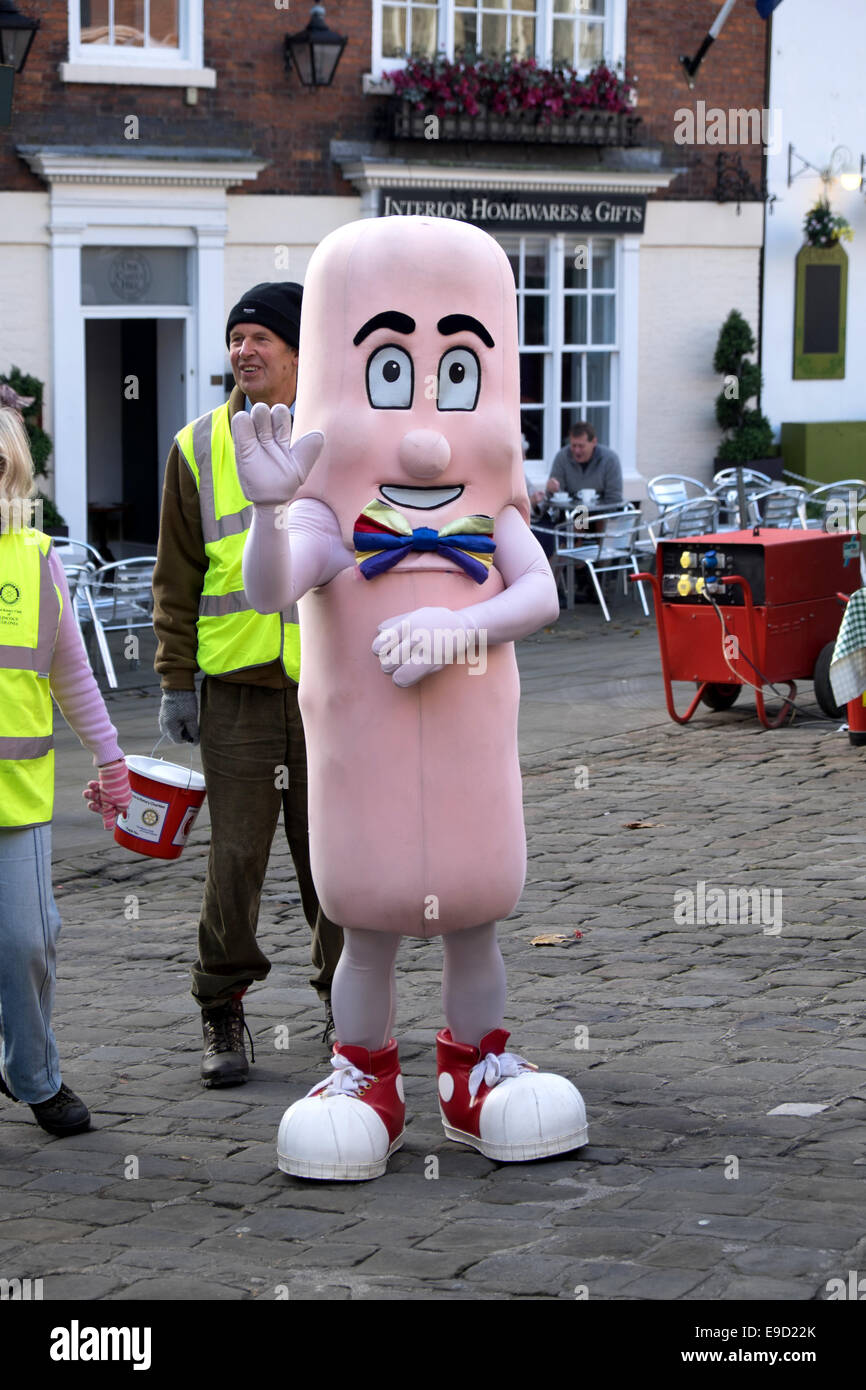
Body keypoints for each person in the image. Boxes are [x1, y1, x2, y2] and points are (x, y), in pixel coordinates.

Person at [152, 282, 343, 1090]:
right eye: (235, 338)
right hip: (235, 692)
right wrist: (174, 681)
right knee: (234, 863)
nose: (244, 351)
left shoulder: (343, 440)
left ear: (301, 350)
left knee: (333, 860)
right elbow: (176, 576)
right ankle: (221, 1004)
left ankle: (349, 1004)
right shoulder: (196, 447)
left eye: (261, 337)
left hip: (330, 693)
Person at [0, 407, 131, 1136]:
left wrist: (111, 761)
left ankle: (28, 1071)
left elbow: (70, 672)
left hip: (17, 801)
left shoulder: (34, 556)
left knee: (27, 941)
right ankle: (37, 1075)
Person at [531, 420, 624, 510]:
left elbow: (614, 498)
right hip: (571, 515)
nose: (576, 451)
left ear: (594, 442)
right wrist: (552, 490)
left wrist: (595, 514)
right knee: (579, 520)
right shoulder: (562, 457)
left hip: (601, 515)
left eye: (581, 446)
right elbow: (555, 498)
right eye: (573, 445)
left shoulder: (610, 460)